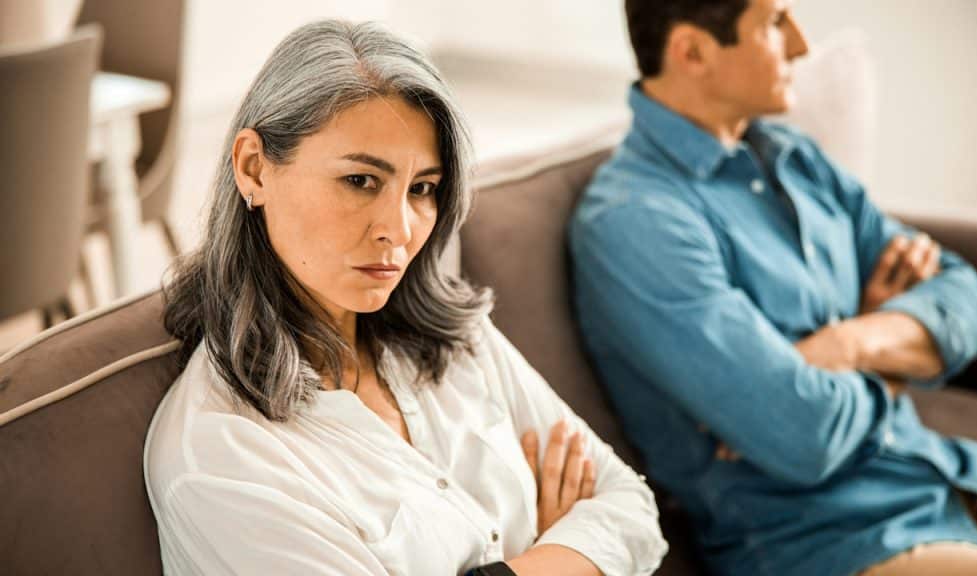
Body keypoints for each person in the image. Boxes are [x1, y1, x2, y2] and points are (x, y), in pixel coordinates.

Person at [145, 19, 667, 576]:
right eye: (361, 181)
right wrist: (553, 549)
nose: (398, 230)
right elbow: (607, 535)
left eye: (422, 189)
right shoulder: (222, 459)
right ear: (254, 168)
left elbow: (631, 509)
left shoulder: (455, 336)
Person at [569, 1, 977, 575]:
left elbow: (967, 299)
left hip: (943, 471)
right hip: (832, 544)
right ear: (693, 52)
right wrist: (897, 364)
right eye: (774, 23)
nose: (802, 45)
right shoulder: (638, 220)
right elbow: (804, 435)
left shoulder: (793, 156)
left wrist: (848, 344)